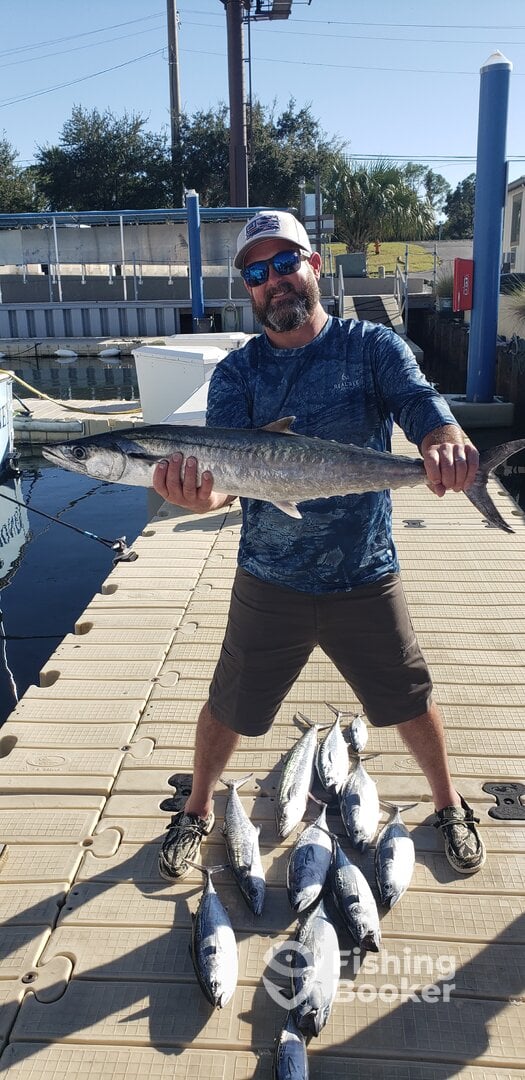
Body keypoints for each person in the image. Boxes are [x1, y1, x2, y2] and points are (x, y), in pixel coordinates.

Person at [153, 210, 486, 880]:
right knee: (227, 705)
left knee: (410, 697)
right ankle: (196, 808)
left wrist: (443, 437)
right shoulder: (237, 373)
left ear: (313, 264)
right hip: (268, 577)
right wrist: (197, 497)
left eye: (284, 263)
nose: (272, 280)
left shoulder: (371, 347)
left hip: (366, 572)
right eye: (256, 272)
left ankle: (449, 804)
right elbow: (224, 485)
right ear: (247, 289)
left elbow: (418, 401)